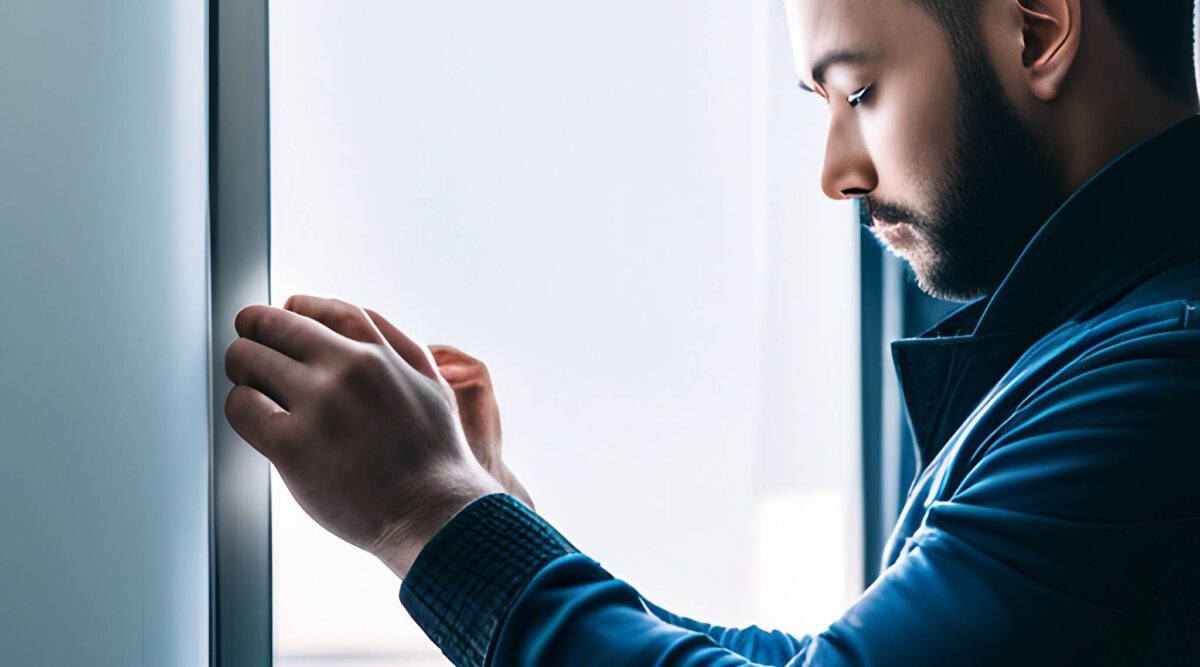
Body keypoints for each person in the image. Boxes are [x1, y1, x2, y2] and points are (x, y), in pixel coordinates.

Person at [222, 0, 1200, 664]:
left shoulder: (1161, 375)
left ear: (1037, 29)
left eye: (860, 92)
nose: (838, 175)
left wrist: (426, 512)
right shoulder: (1108, 343)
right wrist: (495, 513)